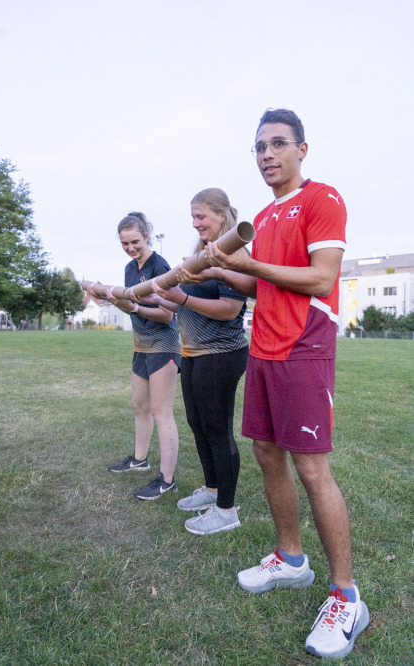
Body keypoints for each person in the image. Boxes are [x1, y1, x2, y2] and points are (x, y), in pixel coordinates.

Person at [203, 109, 369, 658]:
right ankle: (290, 558)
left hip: (305, 347)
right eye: (260, 147)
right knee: (267, 453)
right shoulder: (263, 215)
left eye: (278, 144)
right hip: (264, 347)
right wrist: (222, 270)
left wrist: (249, 267)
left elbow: (321, 278)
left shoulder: (323, 199)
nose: (268, 154)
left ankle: (347, 597)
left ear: (302, 149)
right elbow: (263, 287)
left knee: (312, 469)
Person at [147, 188, 249, 535]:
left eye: (201, 216)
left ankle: (226, 510)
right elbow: (183, 302)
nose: (195, 223)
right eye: (193, 217)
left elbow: (230, 309)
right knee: (198, 424)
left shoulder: (233, 253)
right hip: (192, 353)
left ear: (221, 215)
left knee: (217, 429)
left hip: (221, 354)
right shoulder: (201, 254)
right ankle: (212, 489)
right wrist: (159, 299)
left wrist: (183, 299)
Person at [101, 212, 181, 500]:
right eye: (125, 243)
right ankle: (139, 459)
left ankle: (167, 480)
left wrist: (132, 308)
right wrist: (120, 302)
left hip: (164, 346)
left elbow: (167, 314)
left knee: (161, 412)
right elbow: (131, 303)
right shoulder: (129, 268)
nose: (130, 247)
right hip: (140, 346)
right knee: (139, 407)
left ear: (147, 236)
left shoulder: (160, 266)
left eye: (135, 241)